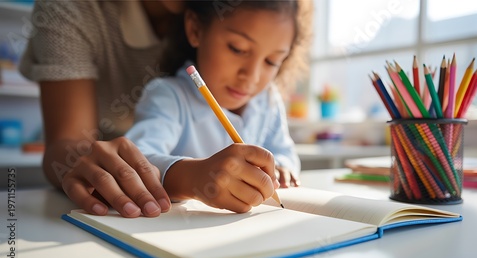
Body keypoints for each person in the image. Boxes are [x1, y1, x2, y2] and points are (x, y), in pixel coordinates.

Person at [125, 0, 312, 213]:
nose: (251, 76)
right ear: (195, 29)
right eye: (238, 49)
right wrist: (192, 177)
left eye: (271, 61)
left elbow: (283, 151)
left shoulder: (268, 100)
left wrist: (281, 167)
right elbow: (135, 161)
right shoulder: (168, 96)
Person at [19, 0, 186, 218]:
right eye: (236, 48)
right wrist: (87, 165)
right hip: (111, 200)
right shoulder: (71, 7)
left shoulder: (229, 9)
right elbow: (66, 141)